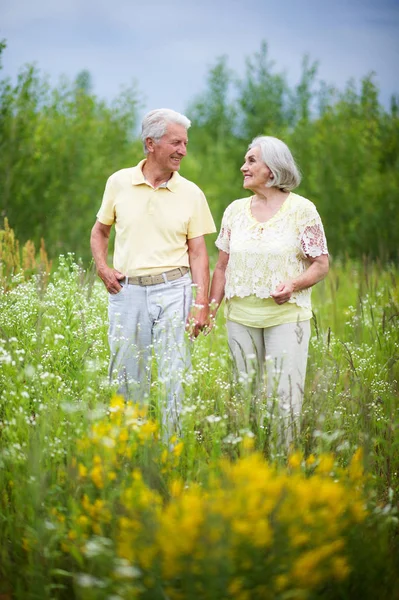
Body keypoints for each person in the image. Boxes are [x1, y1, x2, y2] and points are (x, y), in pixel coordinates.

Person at [90, 108, 216, 437]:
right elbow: (100, 232)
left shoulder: (192, 193)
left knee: (175, 376)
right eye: (176, 143)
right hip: (126, 292)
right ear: (150, 143)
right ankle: (130, 451)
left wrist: (200, 304)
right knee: (127, 376)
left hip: (175, 289)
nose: (183, 151)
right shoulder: (118, 182)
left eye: (185, 143)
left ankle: (173, 452)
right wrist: (103, 268)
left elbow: (199, 252)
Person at [209, 135, 329, 445]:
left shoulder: (302, 210)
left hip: (286, 317)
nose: (242, 167)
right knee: (244, 397)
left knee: (285, 397)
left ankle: (283, 465)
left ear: (272, 170)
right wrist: (209, 309)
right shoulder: (234, 211)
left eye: (251, 161)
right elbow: (221, 267)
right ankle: (247, 465)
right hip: (240, 318)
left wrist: (293, 284)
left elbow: (320, 264)